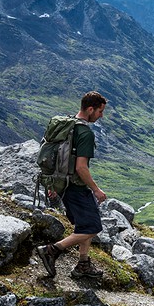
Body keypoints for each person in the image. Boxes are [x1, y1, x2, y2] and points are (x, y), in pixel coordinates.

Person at [36, 91, 108, 279]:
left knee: (85, 225)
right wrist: (96, 190)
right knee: (92, 227)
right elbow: (81, 168)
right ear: (90, 109)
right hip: (75, 187)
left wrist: (53, 183)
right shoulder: (84, 133)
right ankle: (52, 250)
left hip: (62, 183)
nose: (101, 116)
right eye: (100, 112)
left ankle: (83, 264)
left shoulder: (66, 125)